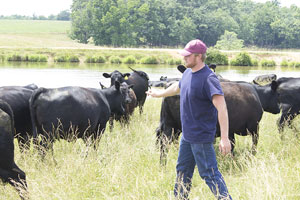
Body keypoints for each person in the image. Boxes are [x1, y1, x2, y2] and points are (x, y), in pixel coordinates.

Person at [146, 39, 232, 200]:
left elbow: (222, 108)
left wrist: (225, 138)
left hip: (201, 137)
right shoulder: (187, 73)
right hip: (187, 136)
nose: (184, 58)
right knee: (182, 171)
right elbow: (177, 87)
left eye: (187, 56)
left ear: (198, 56)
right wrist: (158, 94)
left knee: (209, 174)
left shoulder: (209, 78)